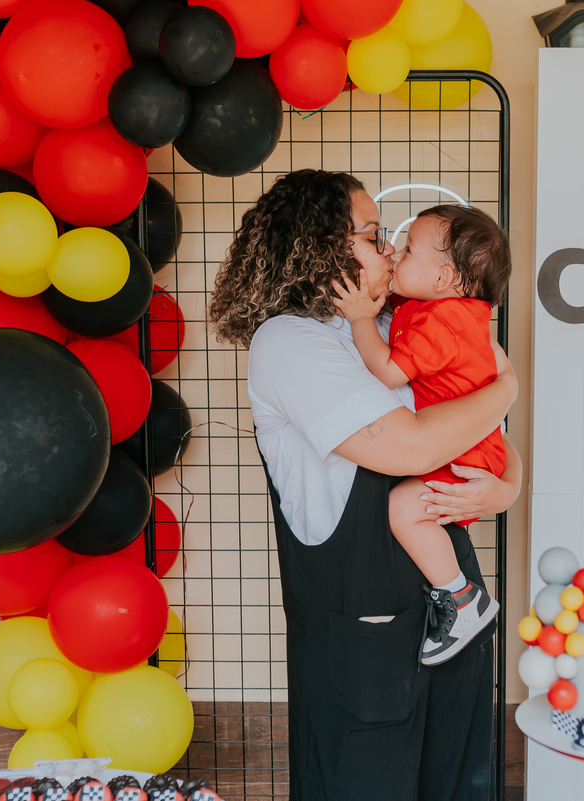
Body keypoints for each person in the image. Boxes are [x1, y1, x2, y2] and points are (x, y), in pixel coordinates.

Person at [207, 169, 521, 801]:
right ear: (319, 244)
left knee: (457, 780)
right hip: (361, 617)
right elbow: (414, 445)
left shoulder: (398, 325)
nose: (389, 250)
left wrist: (509, 487)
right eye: (374, 235)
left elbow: (486, 431)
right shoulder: (290, 341)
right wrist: (509, 388)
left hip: (452, 604)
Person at [332, 205, 512, 666]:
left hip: (464, 456)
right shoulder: (443, 309)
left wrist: (359, 318)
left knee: (402, 509)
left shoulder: (442, 323)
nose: (395, 253)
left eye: (408, 249)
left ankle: (463, 600)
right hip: (469, 446)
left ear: (443, 278)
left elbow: (389, 371)